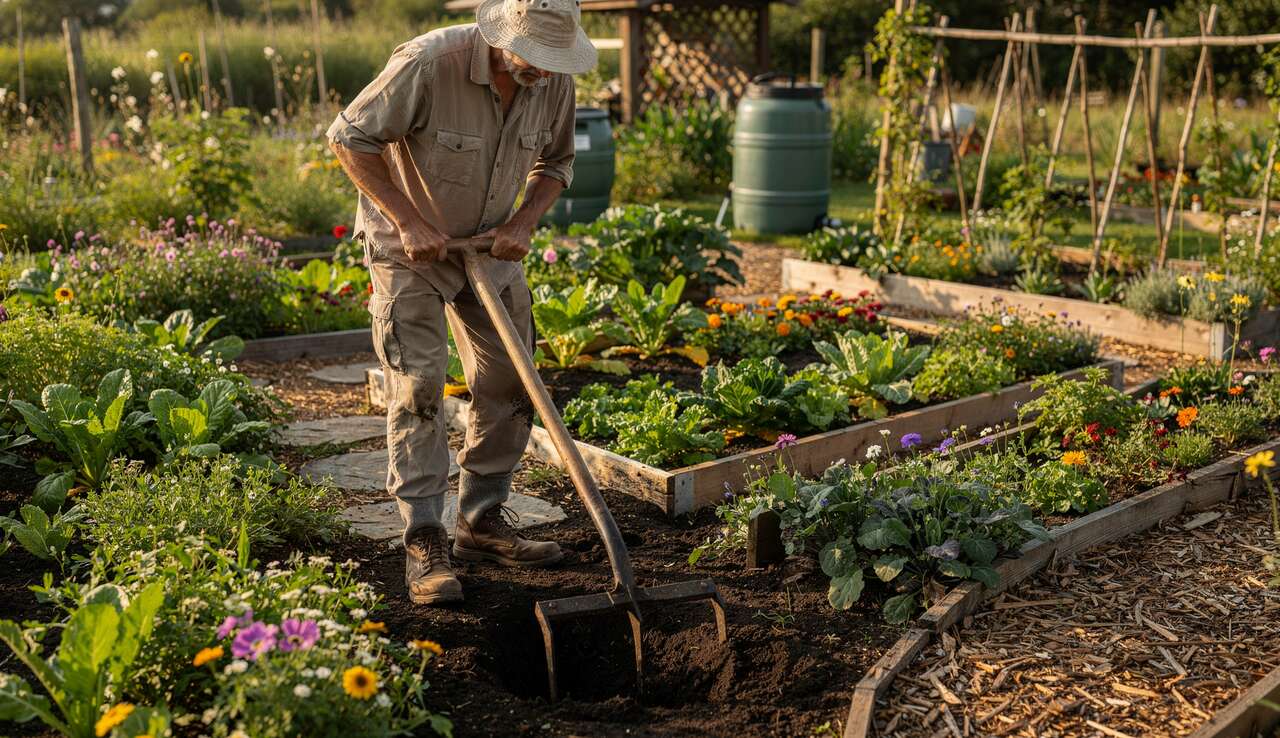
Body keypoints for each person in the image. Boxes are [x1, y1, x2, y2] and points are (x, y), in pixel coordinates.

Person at [327, 0, 597, 605]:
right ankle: (425, 536)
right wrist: (409, 221)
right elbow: (349, 138)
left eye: (557, 60)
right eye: (537, 57)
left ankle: (481, 519)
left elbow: (556, 162)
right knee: (419, 385)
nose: (547, 71)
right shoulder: (429, 62)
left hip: (491, 251)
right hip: (411, 252)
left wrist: (526, 221)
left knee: (510, 376)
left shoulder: (553, 82)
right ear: (504, 36)